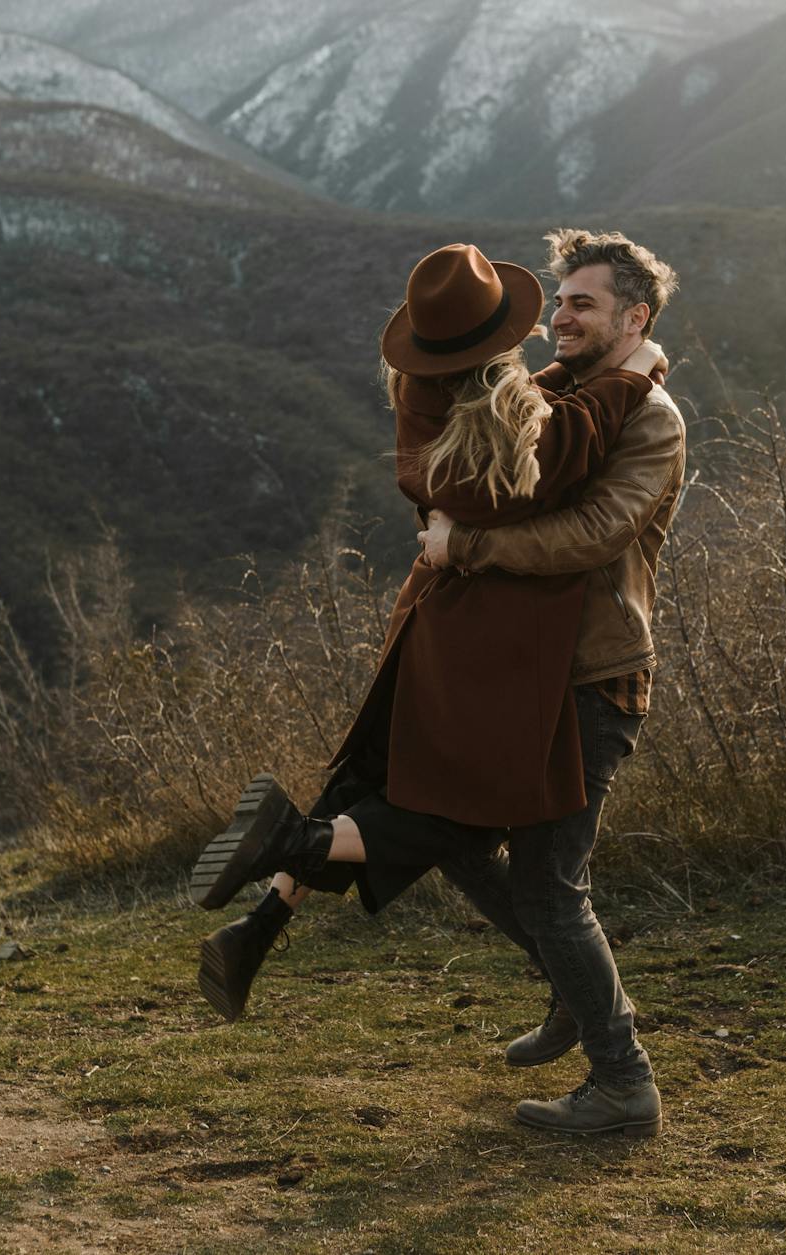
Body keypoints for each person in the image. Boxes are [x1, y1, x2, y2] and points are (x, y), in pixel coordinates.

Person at [202, 231, 685, 1139]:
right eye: (559, 300)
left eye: (582, 303)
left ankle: (623, 1077)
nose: (561, 317)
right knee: (462, 841)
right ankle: (576, 994)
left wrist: (465, 544)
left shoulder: (650, 418)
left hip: (590, 677)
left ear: (636, 318)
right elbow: (505, 447)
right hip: (517, 676)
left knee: (549, 887)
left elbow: (593, 536)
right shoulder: (555, 396)